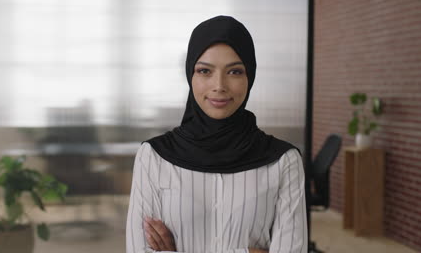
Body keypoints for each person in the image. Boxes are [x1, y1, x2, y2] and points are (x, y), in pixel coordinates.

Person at [126, 15, 307, 253]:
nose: (219, 85)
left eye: (234, 72)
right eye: (204, 71)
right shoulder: (153, 157)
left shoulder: (283, 161)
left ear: (249, 76)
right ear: (191, 75)